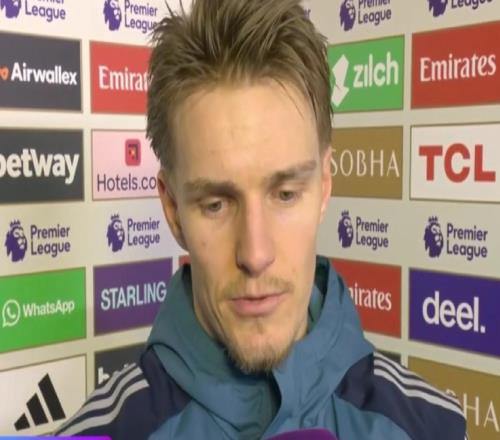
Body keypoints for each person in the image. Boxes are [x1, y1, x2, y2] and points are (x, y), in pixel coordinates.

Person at [56, 0, 467, 438]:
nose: (255, 254)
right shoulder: (100, 432)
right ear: (173, 210)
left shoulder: (435, 427)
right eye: (216, 204)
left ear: (324, 186)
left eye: (285, 194)